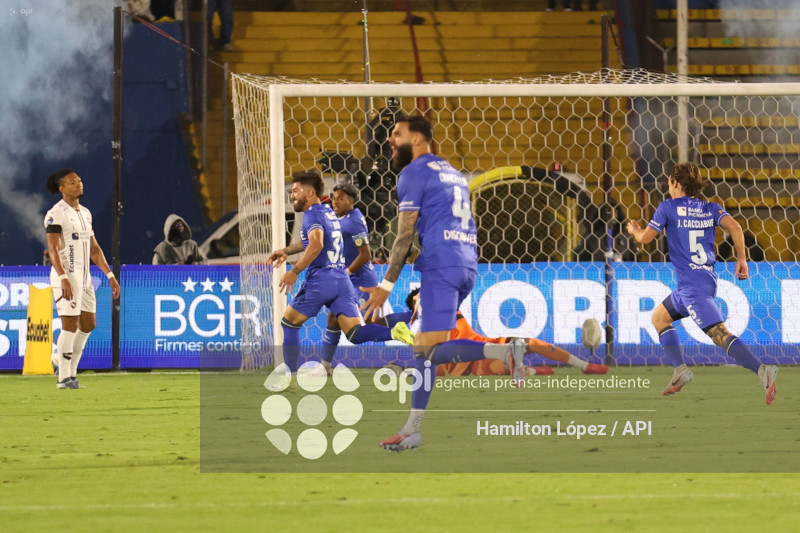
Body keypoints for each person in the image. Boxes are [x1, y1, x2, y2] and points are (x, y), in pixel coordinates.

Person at [360, 115, 528, 452]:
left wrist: (387, 286)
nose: (391, 140)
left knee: (426, 351)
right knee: (427, 350)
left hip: (441, 264)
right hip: (466, 263)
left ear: (418, 139)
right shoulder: (452, 172)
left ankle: (503, 352)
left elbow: (404, 235)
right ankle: (413, 428)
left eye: (397, 134)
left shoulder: (413, 172)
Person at [625, 163, 778, 404]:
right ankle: (680, 371)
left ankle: (762, 371)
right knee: (659, 318)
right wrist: (741, 260)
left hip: (692, 289)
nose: (668, 186)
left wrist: (634, 230)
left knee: (720, 335)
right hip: (700, 282)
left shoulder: (668, 207)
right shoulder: (711, 208)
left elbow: (645, 239)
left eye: (668, 182)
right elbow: (736, 227)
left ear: (676, 183)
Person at [266, 171, 397, 381]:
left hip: (324, 279)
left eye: (296, 191)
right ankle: (394, 333)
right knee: (353, 332)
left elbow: (316, 245)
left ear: (309, 193)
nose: (292, 196)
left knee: (289, 323)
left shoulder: (313, 214)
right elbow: (314, 241)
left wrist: (294, 271)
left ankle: (288, 377)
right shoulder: (328, 212)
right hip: (342, 280)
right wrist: (286, 251)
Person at [390, 288, 609, 377]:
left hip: (483, 347)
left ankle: (585, 366)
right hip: (469, 364)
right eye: (420, 294)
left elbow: (464, 332)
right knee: (506, 367)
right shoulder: (416, 324)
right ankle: (531, 371)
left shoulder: (446, 308)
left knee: (531, 342)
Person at [44, 169, 121, 389]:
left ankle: (65, 365)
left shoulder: (85, 213)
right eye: (72, 182)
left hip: (86, 278)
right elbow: (52, 248)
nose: (79, 184)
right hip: (67, 276)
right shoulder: (56, 213)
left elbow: (94, 249)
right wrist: (63, 277)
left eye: (79, 180)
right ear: (62, 188)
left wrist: (110, 275)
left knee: (88, 324)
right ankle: (64, 378)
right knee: (70, 324)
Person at [320, 182, 381, 373]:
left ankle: (409, 341)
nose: (335, 201)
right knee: (333, 318)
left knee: (366, 327)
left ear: (351, 201)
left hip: (361, 280)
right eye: (334, 197)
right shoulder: (339, 218)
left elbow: (365, 255)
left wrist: (345, 273)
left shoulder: (354, 221)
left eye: (341, 198)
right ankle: (325, 367)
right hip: (346, 280)